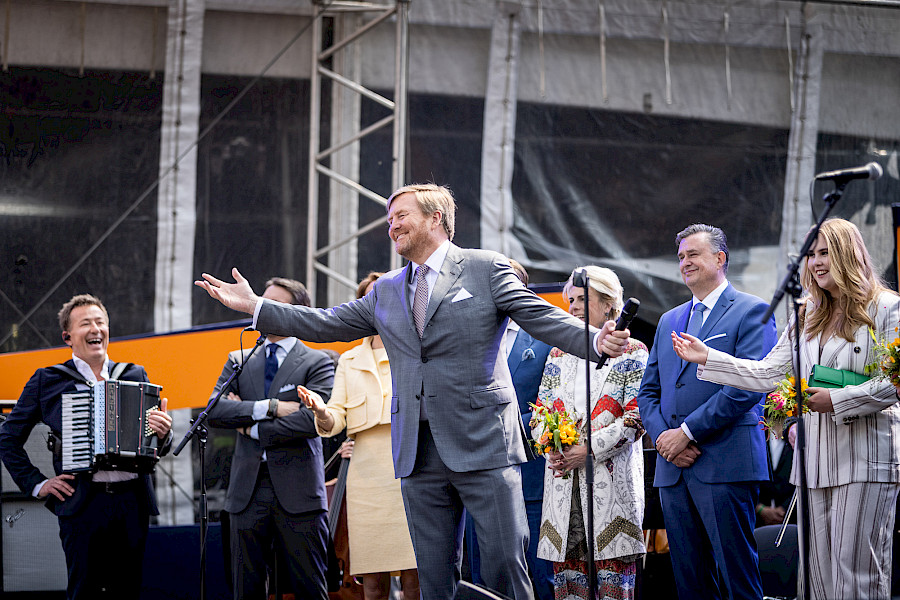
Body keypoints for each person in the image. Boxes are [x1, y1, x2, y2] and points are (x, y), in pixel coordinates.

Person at [195, 183, 630, 600]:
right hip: (417, 452)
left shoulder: (485, 267)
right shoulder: (385, 290)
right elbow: (324, 323)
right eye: (388, 219)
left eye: (401, 215)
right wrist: (256, 307)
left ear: (435, 217)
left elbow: (542, 317)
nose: (392, 226)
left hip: (483, 442)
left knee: (502, 567)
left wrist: (594, 340)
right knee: (434, 575)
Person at [673, 218, 900, 600]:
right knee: (817, 582)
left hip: (865, 460)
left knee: (856, 577)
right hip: (814, 463)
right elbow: (766, 373)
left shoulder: (887, 308)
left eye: (825, 252)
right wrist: (709, 356)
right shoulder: (807, 312)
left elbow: (894, 382)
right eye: (810, 255)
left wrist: (837, 400)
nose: (815, 263)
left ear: (849, 253)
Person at [0, 294, 174, 600]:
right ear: (68, 336)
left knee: (128, 590)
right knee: (84, 591)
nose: (96, 328)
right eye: (86, 323)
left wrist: (163, 432)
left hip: (131, 503)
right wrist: (38, 484)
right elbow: (8, 438)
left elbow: (156, 444)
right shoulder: (48, 380)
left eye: (101, 322)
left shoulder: (134, 374)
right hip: (83, 503)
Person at [636, 223, 777, 600]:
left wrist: (688, 432)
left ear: (720, 258)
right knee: (690, 582)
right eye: (681, 256)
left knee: (737, 578)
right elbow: (648, 392)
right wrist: (668, 441)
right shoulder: (669, 320)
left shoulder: (753, 311)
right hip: (674, 469)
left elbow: (747, 385)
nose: (685, 262)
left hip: (725, 462)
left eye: (693, 254)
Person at [206, 277, 335, 600]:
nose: (262, 310)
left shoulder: (318, 361)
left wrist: (251, 427)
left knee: (309, 588)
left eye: (275, 305)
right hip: (246, 492)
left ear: (298, 313)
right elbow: (215, 412)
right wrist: (272, 407)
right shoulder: (240, 359)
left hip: (300, 492)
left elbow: (310, 421)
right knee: (246, 589)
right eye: (261, 302)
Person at [302, 271, 420, 600]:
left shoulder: (416, 349)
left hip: (412, 467)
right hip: (365, 477)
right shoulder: (349, 360)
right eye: (369, 299)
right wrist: (320, 410)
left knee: (415, 575)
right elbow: (336, 417)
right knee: (371, 578)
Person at [532, 266, 649, 599]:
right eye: (571, 299)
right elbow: (540, 412)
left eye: (583, 298)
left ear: (610, 304)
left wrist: (588, 449)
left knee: (615, 587)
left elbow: (636, 417)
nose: (574, 306)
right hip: (563, 487)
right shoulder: (558, 352)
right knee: (569, 587)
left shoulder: (634, 352)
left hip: (611, 486)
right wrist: (551, 444)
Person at [464, 258, 554, 600]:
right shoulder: (465, 339)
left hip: (532, 475)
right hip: (476, 471)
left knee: (537, 571)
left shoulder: (545, 338)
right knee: (479, 575)